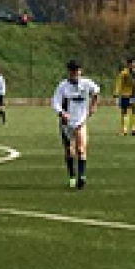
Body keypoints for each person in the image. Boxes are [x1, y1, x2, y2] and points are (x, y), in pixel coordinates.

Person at [51, 60, 100, 190]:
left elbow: (96, 91)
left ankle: (82, 177)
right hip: (66, 124)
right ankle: (72, 176)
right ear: (69, 72)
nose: (75, 73)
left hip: (80, 122)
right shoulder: (63, 86)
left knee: (81, 149)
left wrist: (94, 106)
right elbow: (55, 102)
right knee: (69, 151)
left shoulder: (86, 83)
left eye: (77, 71)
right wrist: (62, 113)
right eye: (73, 71)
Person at [115, 57, 135, 136]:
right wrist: (116, 93)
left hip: (134, 95)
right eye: (133, 63)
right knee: (124, 111)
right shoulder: (124, 73)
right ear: (128, 64)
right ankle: (124, 130)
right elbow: (119, 83)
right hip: (125, 95)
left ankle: (134, 129)